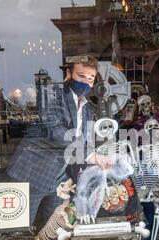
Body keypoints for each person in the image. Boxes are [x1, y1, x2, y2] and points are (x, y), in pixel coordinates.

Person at [8, 55, 112, 226]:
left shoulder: (86, 108)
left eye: (90, 78)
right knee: (22, 229)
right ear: (69, 74)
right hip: (32, 175)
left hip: (59, 180)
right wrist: (90, 155)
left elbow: (81, 139)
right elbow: (56, 132)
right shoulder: (52, 96)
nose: (86, 82)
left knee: (54, 230)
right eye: (81, 76)